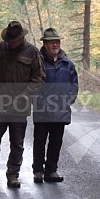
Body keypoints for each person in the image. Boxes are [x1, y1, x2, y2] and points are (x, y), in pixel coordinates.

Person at [0, 21, 45, 188]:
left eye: (14, 41)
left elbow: (39, 78)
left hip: (20, 107)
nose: (11, 43)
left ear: (21, 38)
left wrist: (25, 95)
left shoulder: (33, 52)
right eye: (9, 40)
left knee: (17, 143)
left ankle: (13, 175)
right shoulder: (0, 49)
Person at [32, 27, 78, 183]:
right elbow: (33, 84)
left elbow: (74, 85)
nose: (55, 45)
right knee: (40, 140)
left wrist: (67, 101)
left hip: (61, 109)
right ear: (45, 44)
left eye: (57, 42)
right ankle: (38, 170)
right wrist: (41, 102)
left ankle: (51, 171)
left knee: (56, 141)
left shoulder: (67, 63)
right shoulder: (37, 62)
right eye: (51, 42)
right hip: (42, 109)